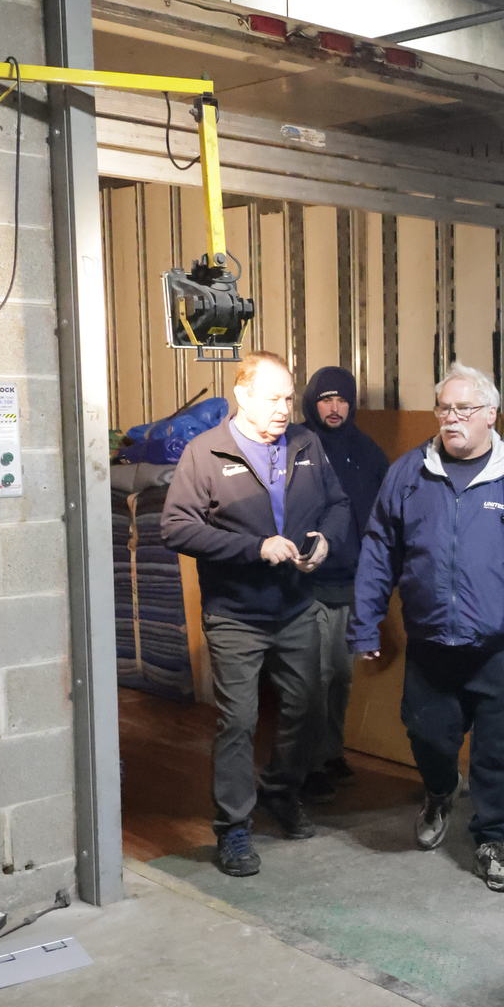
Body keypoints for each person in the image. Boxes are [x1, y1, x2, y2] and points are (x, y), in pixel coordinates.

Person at [351, 362, 504, 892]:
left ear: (491, 415)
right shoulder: (409, 474)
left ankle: (492, 838)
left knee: (498, 751)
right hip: (432, 644)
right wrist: (365, 624)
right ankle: (441, 791)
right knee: (427, 734)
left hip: (501, 646)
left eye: (464, 409)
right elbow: (379, 551)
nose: (451, 418)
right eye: (444, 408)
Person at [161, 350, 350, 878]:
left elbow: (337, 504)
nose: (284, 409)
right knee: (239, 721)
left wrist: (325, 541)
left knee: (307, 707)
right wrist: (254, 548)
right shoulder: (205, 452)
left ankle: (281, 790)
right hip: (235, 614)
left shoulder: (306, 444)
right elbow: (176, 527)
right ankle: (233, 827)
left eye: (289, 398)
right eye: (273, 399)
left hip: (296, 605)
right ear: (242, 395)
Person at [299, 366, 390, 800]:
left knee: (340, 675)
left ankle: (330, 752)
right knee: (312, 678)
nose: (334, 408)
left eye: (342, 400)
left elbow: (385, 516)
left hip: (353, 582)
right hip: (306, 582)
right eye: (325, 400)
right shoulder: (296, 446)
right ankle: (307, 764)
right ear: (311, 403)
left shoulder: (367, 452)